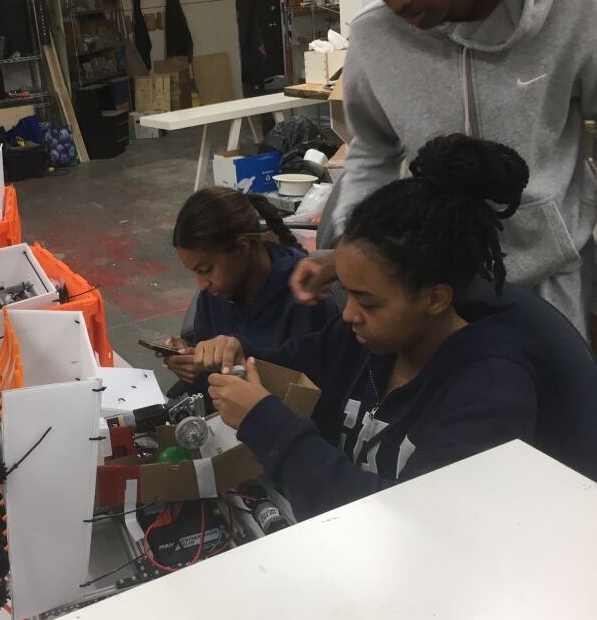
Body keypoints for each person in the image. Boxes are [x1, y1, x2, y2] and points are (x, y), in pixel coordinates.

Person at [193, 135, 597, 520]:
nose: (349, 313)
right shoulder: (362, 339)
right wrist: (237, 349)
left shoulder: (491, 394)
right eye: (348, 294)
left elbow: (409, 526)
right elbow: (288, 362)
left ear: (435, 298)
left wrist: (269, 427)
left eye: (367, 301)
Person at [295, 0, 597, 340]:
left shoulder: (574, 4)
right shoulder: (375, 38)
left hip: (553, 286)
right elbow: (373, 152)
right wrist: (350, 247)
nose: (396, 0)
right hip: (434, 292)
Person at [164, 187, 338, 387]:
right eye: (195, 272)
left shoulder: (306, 295)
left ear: (242, 247)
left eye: (206, 269)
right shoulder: (215, 294)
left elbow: (315, 394)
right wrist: (193, 363)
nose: (201, 285)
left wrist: (242, 357)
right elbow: (213, 383)